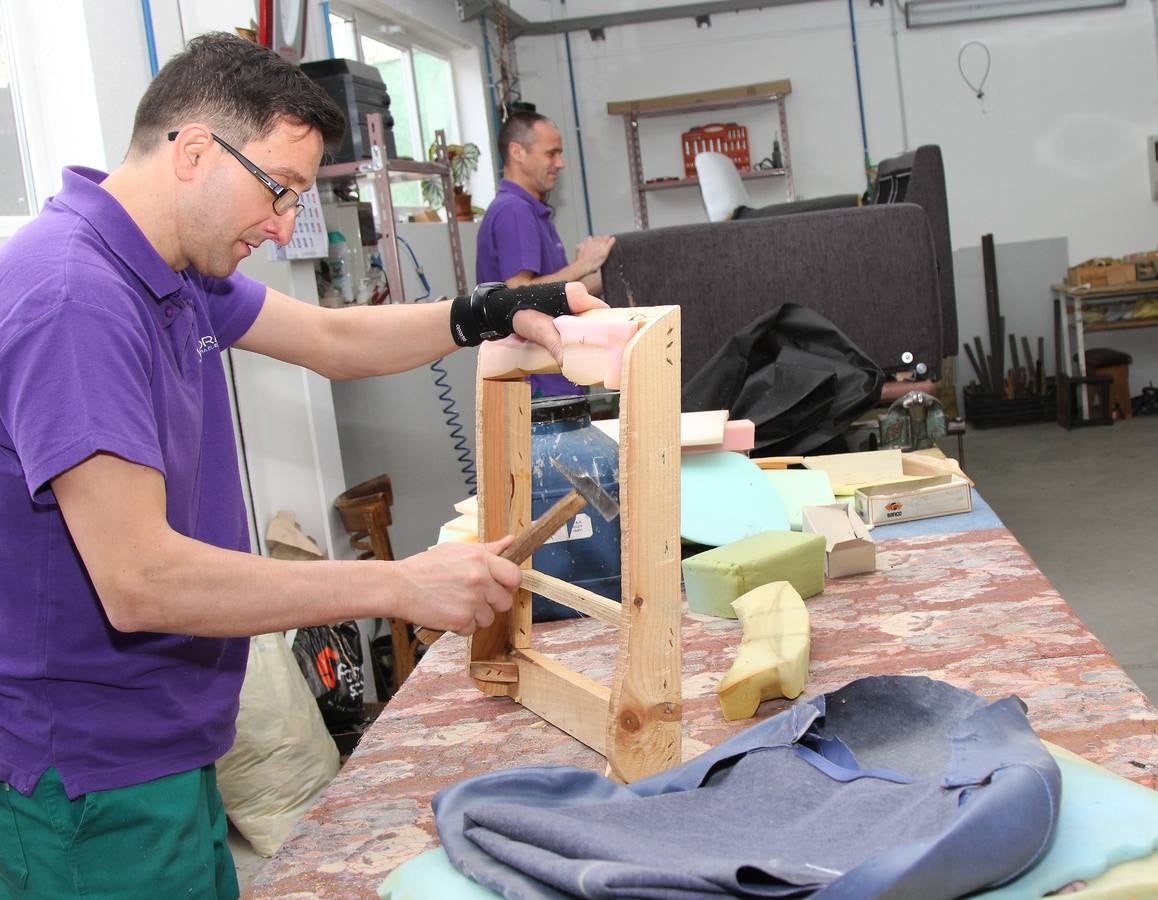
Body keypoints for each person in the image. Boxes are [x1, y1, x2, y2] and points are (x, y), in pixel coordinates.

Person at [0, 33, 603, 899]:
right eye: (277, 190)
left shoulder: (170, 268)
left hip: (167, 740)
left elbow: (329, 338)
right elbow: (141, 581)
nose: (284, 225)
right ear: (196, 149)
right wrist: (399, 586)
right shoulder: (75, 299)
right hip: (89, 775)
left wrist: (494, 308)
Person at [476, 111, 617, 396]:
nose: (560, 163)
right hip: (536, 389)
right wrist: (582, 265)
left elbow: (554, 296)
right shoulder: (514, 212)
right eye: (551, 154)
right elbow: (518, 293)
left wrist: (611, 270)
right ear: (517, 151)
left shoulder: (530, 211)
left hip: (553, 382)